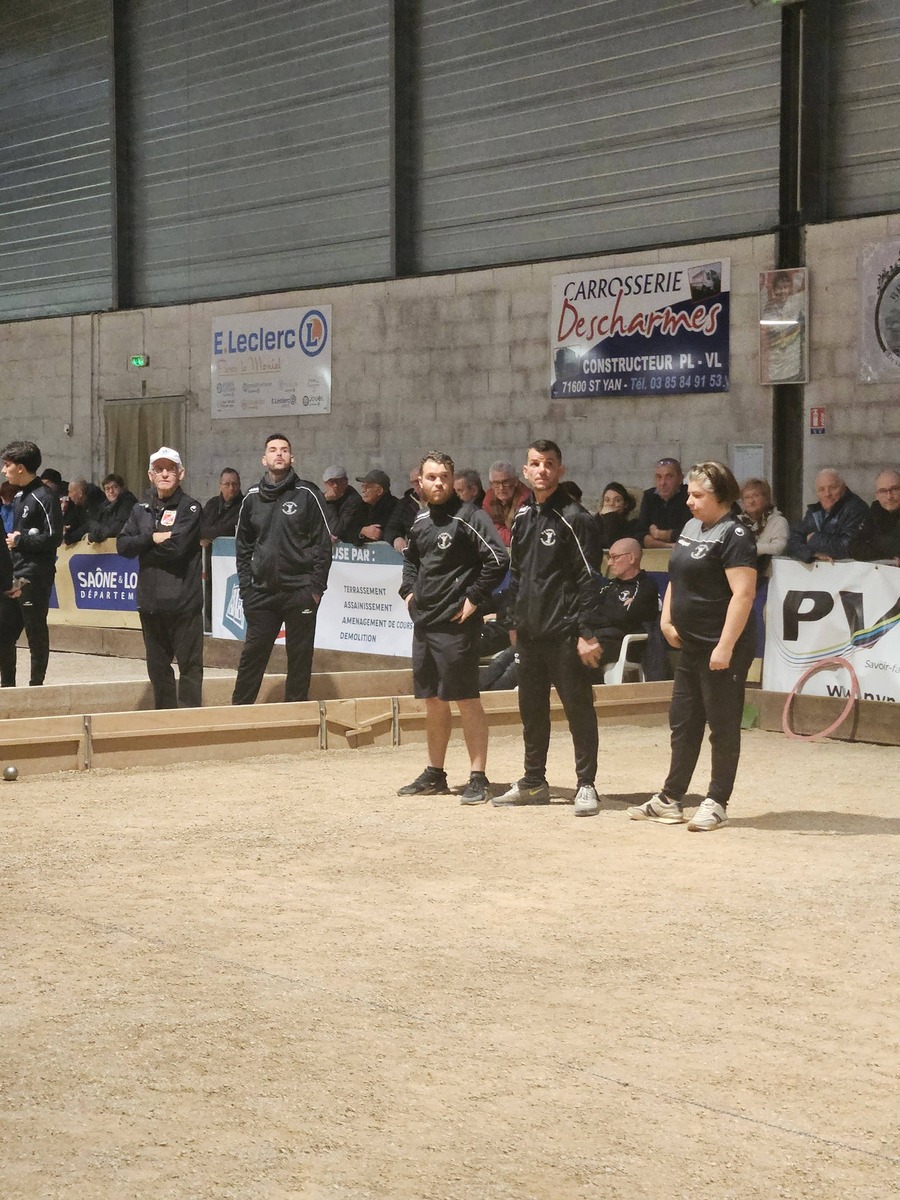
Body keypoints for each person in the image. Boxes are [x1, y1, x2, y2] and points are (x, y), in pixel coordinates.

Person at [628, 462, 757, 832]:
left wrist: (726, 646)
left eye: (697, 495)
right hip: (689, 645)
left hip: (721, 647)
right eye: (689, 494)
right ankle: (670, 798)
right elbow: (677, 577)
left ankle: (717, 801)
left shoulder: (736, 534)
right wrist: (666, 619)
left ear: (720, 496)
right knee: (683, 722)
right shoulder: (689, 528)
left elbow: (743, 594)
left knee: (722, 725)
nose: (689, 501)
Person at [492, 439, 604, 817]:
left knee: (578, 710)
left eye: (549, 464)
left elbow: (588, 579)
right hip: (529, 634)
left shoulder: (576, 518)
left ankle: (586, 784)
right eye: (536, 464)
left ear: (560, 470)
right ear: (526, 471)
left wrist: (586, 633)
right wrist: (513, 621)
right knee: (532, 711)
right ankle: (533, 781)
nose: (542, 470)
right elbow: (518, 573)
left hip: (566, 634)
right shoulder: (523, 516)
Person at [397, 453, 508, 804]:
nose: (438, 483)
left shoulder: (470, 516)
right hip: (425, 623)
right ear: (421, 482)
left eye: (444, 476)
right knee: (432, 700)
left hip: (457, 626)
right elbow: (411, 560)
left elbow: (498, 559)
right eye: (431, 477)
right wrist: (408, 593)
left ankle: (478, 777)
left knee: (466, 699)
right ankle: (435, 773)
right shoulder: (420, 519)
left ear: (452, 479)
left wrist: (474, 598)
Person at [232, 434, 332, 705]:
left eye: (284, 450)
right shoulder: (251, 498)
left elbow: (324, 544)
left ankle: (296, 714)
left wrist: (315, 590)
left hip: (300, 592)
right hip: (261, 595)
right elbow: (242, 547)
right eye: (273, 450)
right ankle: (238, 713)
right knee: (252, 656)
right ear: (264, 459)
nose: (279, 454)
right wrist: (247, 591)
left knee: (299, 658)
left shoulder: (308, 494)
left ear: (292, 458)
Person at [117, 447, 204, 709]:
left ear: (181, 473)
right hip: (150, 604)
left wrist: (143, 548)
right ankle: (165, 717)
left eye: (170, 469)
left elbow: (177, 550)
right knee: (157, 668)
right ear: (150, 475)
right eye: (159, 469)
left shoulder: (190, 508)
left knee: (190, 667)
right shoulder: (140, 509)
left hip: (183, 604)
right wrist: (152, 538)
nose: (165, 474)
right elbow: (122, 546)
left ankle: (189, 721)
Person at [0, 440, 63, 687]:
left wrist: (21, 540)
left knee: (35, 631)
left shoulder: (45, 497)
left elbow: (54, 537)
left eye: (7, 465)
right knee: (4, 633)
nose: (4, 470)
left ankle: (36, 686)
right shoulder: (18, 496)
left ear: (21, 468)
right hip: (15, 574)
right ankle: (7, 686)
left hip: (35, 576)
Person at [585, 537, 659, 676]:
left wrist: (605, 612)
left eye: (615, 557)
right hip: (600, 638)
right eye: (609, 557)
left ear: (631, 558)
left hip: (627, 645)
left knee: (582, 653)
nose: (609, 563)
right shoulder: (609, 586)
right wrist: (616, 610)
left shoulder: (646, 585)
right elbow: (589, 612)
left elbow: (625, 616)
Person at [786, 468, 868, 563]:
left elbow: (849, 547)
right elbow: (791, 542)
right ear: (817, 493)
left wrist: (813, 539)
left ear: (844, 487)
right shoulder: (815, 512)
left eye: (833, 488)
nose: (827, 494)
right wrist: (811, 554)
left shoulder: (856, 508)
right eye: (821, 489)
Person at [634, 457, 692, 549]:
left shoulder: (690, 495)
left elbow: (691, 534)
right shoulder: (649, 496)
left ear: (680, 479)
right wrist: (668, 544)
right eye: (659, 477)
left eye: (669, 477)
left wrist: (658, 534)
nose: (662, 483)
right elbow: (640, 534)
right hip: (656, 554)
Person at [760, 270, 805, 383]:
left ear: (789, 288)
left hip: (794, 370)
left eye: (785, 287)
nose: (783, 291)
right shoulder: (768, 310)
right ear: (774, 290)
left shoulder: (795, 302)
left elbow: (805, 283)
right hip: (775, 371)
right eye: (779, 288)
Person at [850, 468, 900, 565]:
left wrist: (874, 542)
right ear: (877, 495)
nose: (889, 496)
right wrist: (889, 556)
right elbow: (854, 547)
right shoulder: (875, 511)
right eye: (883, 491)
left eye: (894, 489)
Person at [737, 477, 789, 569]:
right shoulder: (736, 522)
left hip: (770, 574)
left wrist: (749, 549)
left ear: (767, 498)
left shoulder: (778, 521)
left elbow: (779, 547)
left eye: (756, 496)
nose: (751, 501)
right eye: (747, 497)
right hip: (739, 572)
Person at [482, 461, 530, 548]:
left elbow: (522, 536)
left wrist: (497, 533)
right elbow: (486, 527)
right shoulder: (489, 497)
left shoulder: (526, 499)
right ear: (491, 484)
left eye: (506, 482)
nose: (501, 488)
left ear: (515, 481)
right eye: (496, 483)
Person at [87, 474, 138, 543]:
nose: (111, 491)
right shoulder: (104, 506)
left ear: (121, 488)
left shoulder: (128, 502)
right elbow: (93, 522)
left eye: (114, 487)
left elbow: (118, 527)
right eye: (107, 489)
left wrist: (97, 536)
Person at [384, 465, 424, 551]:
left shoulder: (441, 500)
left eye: (420, 481)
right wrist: (396, 538)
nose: (419, 485)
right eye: (415, 482)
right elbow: (391, 527)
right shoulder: (405, 503)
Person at [322, 465, 365, 545]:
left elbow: (336, 530)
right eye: (331, 482)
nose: (335, 485)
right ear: (325, 484)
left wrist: (330, 503)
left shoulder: (353, 500)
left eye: (338, 481)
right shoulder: (323, 497)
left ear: (346, 482)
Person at [200, 468, 243, 544]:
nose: (231, 488)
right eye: (227, 484)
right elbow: (200, 527)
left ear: (239, 485)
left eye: (234, 484)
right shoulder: (212, 504)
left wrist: (208, 536)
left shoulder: (245, 505)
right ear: (220, 486)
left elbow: (229, 529)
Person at [355, 469, 398, 544]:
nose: (363, 490)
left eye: (367, 487)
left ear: (379, 491)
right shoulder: (361, 505)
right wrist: (362, 531)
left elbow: (380, 533)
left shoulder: (394, 507)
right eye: (363, 486)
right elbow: (347, 528)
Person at [594, 481, 638, 551]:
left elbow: (611, 544)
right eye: (607, 500)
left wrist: (611, 516)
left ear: (625, 504)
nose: (611, 504)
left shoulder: (632, 525)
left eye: (617, 500)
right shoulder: (595, 521)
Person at [62, 478, 104, 545]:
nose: (69, 496)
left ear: (80, 493)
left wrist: (71, 537)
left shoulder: (97, 502)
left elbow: (90, 526)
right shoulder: (77, 505)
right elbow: (73, 523)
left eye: (71, 492)